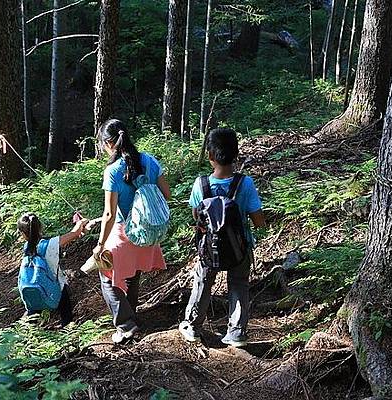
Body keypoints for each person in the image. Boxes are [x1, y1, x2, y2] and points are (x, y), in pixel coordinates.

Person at [178, 128, 266, 347]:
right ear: (236, 155)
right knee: (238, 285)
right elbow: (258, 221)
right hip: (239, 247)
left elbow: (196, 216)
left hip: (209, 247)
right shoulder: (245, 184)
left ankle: (193, 326)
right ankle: (236, 332)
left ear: (210, 156)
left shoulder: (201, 185)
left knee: (202, 283)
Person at [94, 119, 171, 344]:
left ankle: (126, 325)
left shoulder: (113, 171)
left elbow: (109, 214)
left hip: (123, 232)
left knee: (107, 275)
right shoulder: (149, 161)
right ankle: (132, 316)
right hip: (148, 232)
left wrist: (100, 244)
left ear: (109, 143)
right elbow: (166, 194)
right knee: (132, 272)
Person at [17, 212, 88, 327]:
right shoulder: (50, 244)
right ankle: (69, 331)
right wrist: (81, 223)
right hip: (56, 287)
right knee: (66, 311)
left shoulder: (26, 248)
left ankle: (25, 336)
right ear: (40, 227)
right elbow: (74, 233)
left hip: (34, 286)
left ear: (22, 233)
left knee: (33, 313)